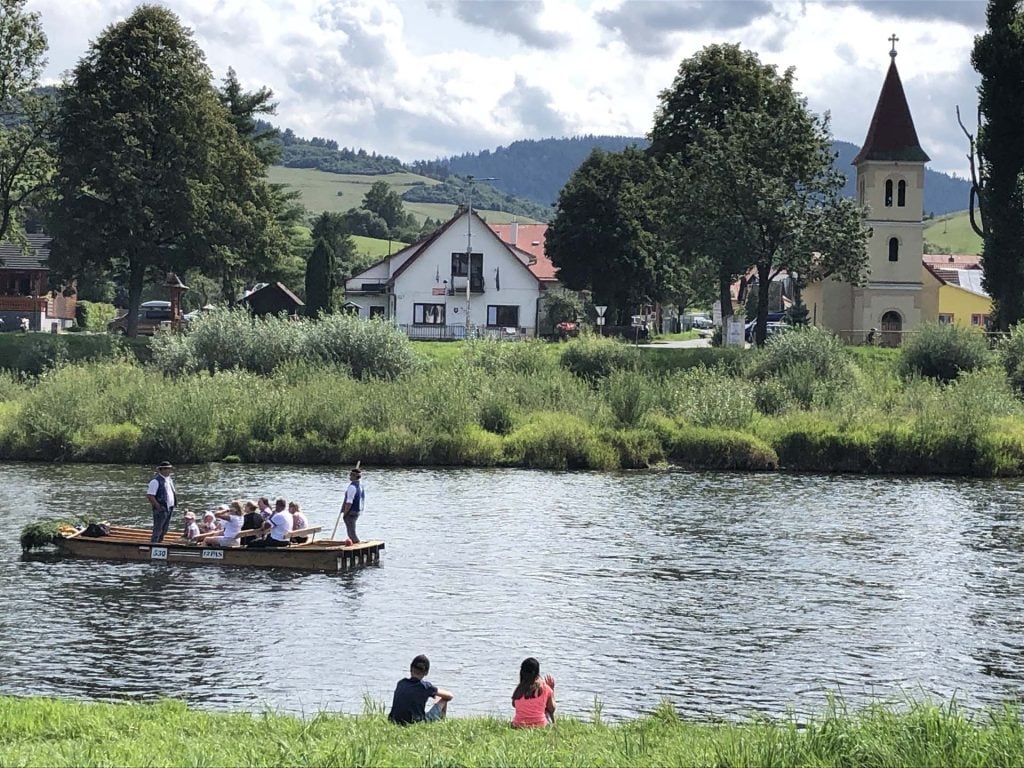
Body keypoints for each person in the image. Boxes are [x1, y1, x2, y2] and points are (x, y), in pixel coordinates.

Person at [388, 655, 453, 725]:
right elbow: (450, 696)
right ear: (426, 672)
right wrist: (435, 695)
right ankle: (442, 723)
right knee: (444, 699)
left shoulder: (401, 683)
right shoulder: (425, 687)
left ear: (411, 668)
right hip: (416, 723)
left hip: (394, 721)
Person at [511, 657, 556, 728]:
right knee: (547, 710)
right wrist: (551, 690)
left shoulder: (519, 689)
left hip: (518, 725)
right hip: (540, 725)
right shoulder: (545, 688)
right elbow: (552, 709)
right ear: (537, 673)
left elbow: (514, 704)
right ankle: (554, 726)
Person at [146, 461, 176, 544]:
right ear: (161, 470)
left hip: (169, 508)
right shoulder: (155, 481)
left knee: (165, 528)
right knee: (158, 528)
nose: (168, 470)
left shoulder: (169, 480)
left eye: (169, 469)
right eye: (166, 469)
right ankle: (154, 544)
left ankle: (160, 542)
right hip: (161, 509)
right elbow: (150, 495)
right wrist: (157, 506)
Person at [340, 467, 364, 544]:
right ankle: (355, 541)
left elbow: (349, 502)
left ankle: (356, 543)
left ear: (354, 476)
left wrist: (345, 513)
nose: (349, 476)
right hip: (357, 510)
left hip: (351, 511)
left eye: (351, 475)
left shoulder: (352, 487)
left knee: (351, 531)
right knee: (352, 529)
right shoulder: (360, 486)